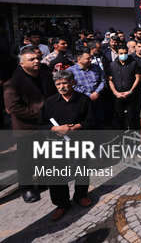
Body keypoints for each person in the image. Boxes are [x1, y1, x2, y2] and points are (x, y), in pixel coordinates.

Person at [38, 70, 94, 220]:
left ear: (72, 83)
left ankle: (81, 195)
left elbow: (91, 121)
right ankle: (62, 204)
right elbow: (41, 125)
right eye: (58, 84)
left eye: (64, 83)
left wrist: (75, 127)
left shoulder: (83, 100)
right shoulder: (50, 102)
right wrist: (56, 129)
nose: (61, 86)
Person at [3, 47, 56, 203]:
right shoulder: (13, 82)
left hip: (45, 126)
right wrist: (39, 116)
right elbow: (13, 107)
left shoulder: (46, 77)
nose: (36, 61)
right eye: (31, 59)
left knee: (43, 156)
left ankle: (41, 182)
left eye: (37, 58)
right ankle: (26, 188)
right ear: (21, 63)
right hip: (26, 128)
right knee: (26, 159)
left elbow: (53, 96)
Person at [68, 50, 106, 128]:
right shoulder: (71, 71)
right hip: (82, 100)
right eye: (88, 58)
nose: (91, 60)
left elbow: (103, 80)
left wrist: (96, 92)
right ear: (79, 60)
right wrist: (88, 94)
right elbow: (72, 86)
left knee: (98, 120)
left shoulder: (95, 67)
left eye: (91, 58)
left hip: (97, 99)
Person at [108, 45, 140, 130]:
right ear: (117, 54)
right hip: (117, 96)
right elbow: (110, 80)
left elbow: (137, 78)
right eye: (121, 53)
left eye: (125, 53)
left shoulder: (133, 63)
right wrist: (116, 93)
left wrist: (130, 91)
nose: (123, 55)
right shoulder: (112, 65)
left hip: (131, 95)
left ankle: (133, 137)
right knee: (119, 118)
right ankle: (120, 137)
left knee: (132, 117)